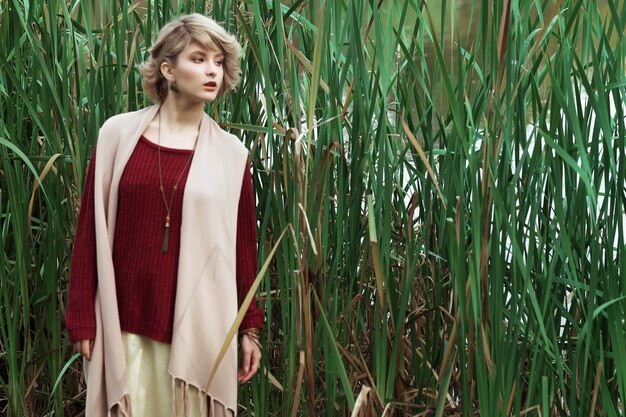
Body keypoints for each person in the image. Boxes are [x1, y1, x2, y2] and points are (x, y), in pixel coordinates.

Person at [65, 13, 263, 417]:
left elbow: (244, 248)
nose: (212, 71)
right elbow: (90, 231)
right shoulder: (117, 135)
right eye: (199, 59)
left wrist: (250, 329)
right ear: (168, 70)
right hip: (123, 325)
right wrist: (82, 315)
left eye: (219, 62)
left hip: (197, 329)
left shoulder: (231, 155)